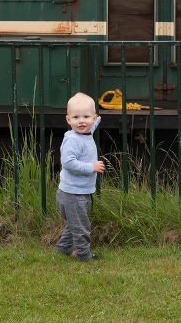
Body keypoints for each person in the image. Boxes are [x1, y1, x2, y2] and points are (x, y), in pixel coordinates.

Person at [56, 92, 105, 262]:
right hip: (72, 195)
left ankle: (63, 248)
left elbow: (91, 125)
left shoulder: (86, 132)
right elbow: (68, 162)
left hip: (77, 192)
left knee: (73, 223)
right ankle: (84, 256)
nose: (82, 121)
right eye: (76, 117)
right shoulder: (74, 139)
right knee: (81, 227)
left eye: (86, 117)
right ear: (68, 120)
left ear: (93, 118)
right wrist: (91, 167)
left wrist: (98, 120)